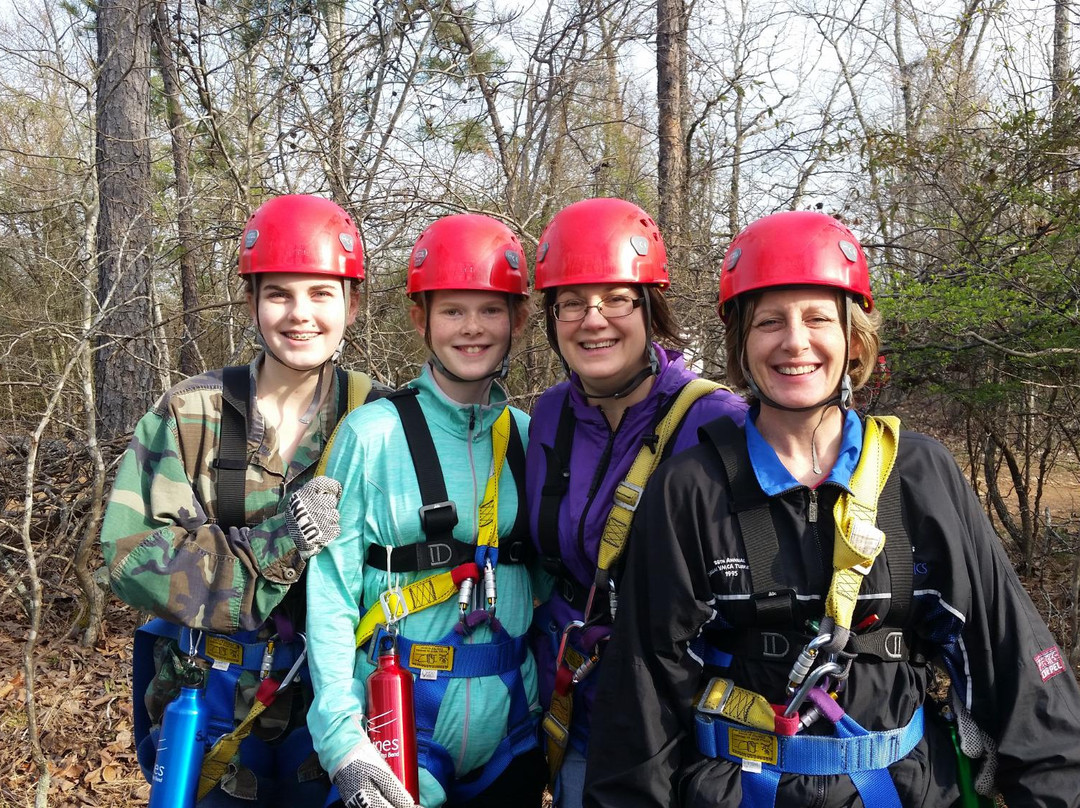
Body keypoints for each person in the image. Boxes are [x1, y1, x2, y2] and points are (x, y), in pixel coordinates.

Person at [584, 210, 1080, 808]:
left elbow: (1015, 664)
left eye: (818, 318)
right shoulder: (691, 489)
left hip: (902, 789)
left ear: (853, 338)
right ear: (742, 342)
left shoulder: (918, 477)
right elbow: (644, 695)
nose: (795, 342)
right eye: (770, 322)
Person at [101, 194, 386, 805]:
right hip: (212, 705)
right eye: (279, 294)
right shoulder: (191, 412)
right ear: (252, 302)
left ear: (352, 304)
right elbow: (131, 559)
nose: (299, 314)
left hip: (340, 711)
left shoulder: (379, 419)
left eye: (321, 294)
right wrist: (280, 539)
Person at [306, 213, 547, 808]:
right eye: (452, 311)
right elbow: (333, 590)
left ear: (517, 319)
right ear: (421, 319)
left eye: (490, 310)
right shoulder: (370, 436)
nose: (472, 328)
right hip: (399, 728)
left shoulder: (530, 437)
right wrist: (341, 741)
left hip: (514, 729)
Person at [525, 197, 748, 808]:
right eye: (571, 303)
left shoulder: (714, 421)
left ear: (650, 309)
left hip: (680, 715)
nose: (592, 320)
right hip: (576, 703)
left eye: (616, 299)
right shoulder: (545, 418)